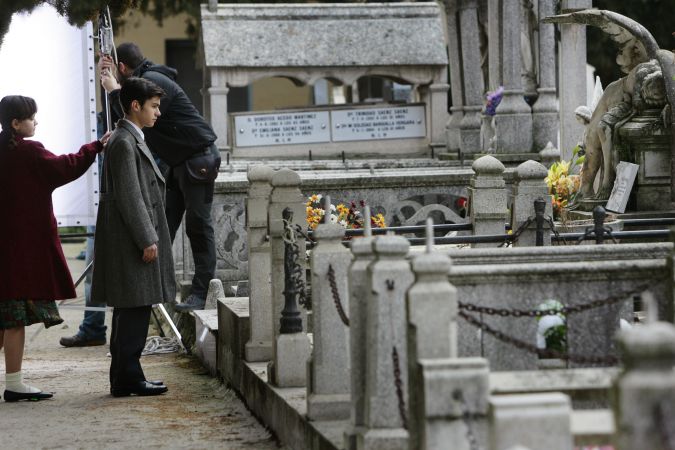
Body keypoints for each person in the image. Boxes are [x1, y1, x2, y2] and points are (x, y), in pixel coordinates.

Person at [0, 95, 109, 401]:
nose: (36, 122)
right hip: (24, 250)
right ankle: (15, 383)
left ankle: (14, 382)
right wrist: (95, 146)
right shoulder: (31, 152)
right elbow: (67, 167)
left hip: (4, 248)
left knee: (4, 317)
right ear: (16, 124)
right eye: (32, 118)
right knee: (14, 320)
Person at [99, 42, 220, 312]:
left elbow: (136, 115)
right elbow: (130, 115)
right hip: (179, 160)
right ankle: (162, 293)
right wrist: (111, 88)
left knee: (198, 227)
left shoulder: (152, 81)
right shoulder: (144, 80)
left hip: (197, 157)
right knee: (162, 226)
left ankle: (202, 293)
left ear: (121, 68)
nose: (157, 109)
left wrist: (112, 90)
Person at [90, 77, 175, 397]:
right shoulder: (125, 141)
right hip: (132, 241)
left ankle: (126, 376)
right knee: (134, 309)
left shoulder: (128, 138)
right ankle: (128, 375)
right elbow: (130, 197)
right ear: (135, 106)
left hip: (131, 239)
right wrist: (147, 239)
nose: (158, 113)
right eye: (153, 107)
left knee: (132, 309)